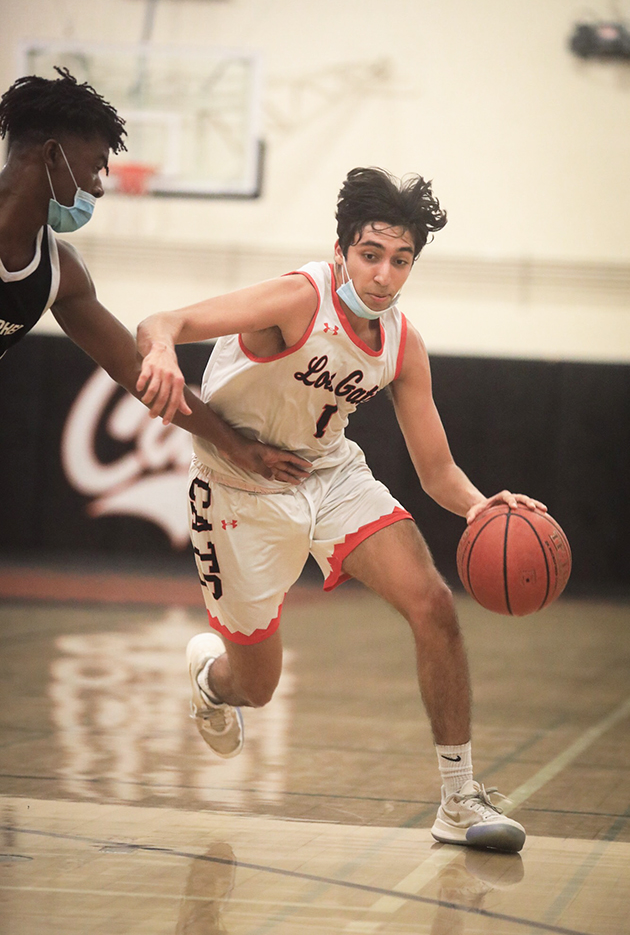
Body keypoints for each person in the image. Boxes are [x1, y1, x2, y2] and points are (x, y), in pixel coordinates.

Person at [136, 166, 547, 853]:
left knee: (433, 603)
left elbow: (436, 469)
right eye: (371, 255)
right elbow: (164, 320)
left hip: (327, 472)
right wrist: (159, 350)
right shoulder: (297, 299)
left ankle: (458, 800)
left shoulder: (403, 345)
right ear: (341, 252)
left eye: (401, 259)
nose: (386, 274)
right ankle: (212, 681)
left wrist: (482, 506)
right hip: (237, 485)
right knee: (256, 685)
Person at [0, 67, 308, 485]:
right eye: (95, 167)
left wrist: (238, 447)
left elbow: (132, 367)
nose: (99, 188)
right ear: (52, 156)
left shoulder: (62, 272)